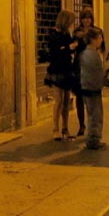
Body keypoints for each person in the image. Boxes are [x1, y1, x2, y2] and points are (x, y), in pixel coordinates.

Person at [44, 9, 78, 141]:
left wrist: (70, 48)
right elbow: (55, 53)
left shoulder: (66, 34)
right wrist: (68, 48)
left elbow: (66, 49)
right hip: (57, 70)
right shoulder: (53, 35)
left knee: (66, 100)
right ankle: (55, 128)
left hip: (67, 69)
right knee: (58, 100)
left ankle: (65, 127)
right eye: (70, 21)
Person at [73, 7, 104, 137]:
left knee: (93, 98)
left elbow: (102, 48)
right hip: (79, 65)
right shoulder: (77, 32)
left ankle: (93, 127)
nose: (86, 20)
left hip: (91, 66)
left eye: (88, 18)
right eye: (84, 18)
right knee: (79, 96)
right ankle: (82, 125)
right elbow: (74, 46)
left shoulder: (96, 32)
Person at [78, 28, 106, 150]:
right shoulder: (91, 55)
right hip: (92, 88)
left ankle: (93, 138)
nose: (101, 40)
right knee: (95, 114)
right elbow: (96, 73)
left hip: (88, 87)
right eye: (99, 38)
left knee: (93, 113)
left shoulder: (86, 53)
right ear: (93, 40)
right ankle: (93, 139)